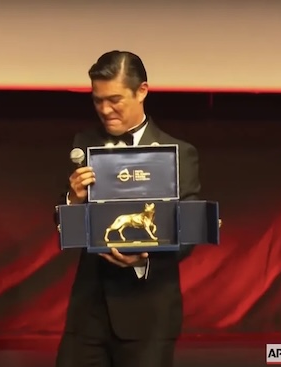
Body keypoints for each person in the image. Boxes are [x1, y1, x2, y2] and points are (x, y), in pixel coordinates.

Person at [55, 50, 202, 367]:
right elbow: (65, 228)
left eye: (115, 99)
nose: (105, 110)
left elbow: (189, 230)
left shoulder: (178, 152)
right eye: (97, 100)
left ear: (142, 91)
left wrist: (145, 255)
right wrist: (72, 200)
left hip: (148, 316)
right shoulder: (85, 143)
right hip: (88, 315)